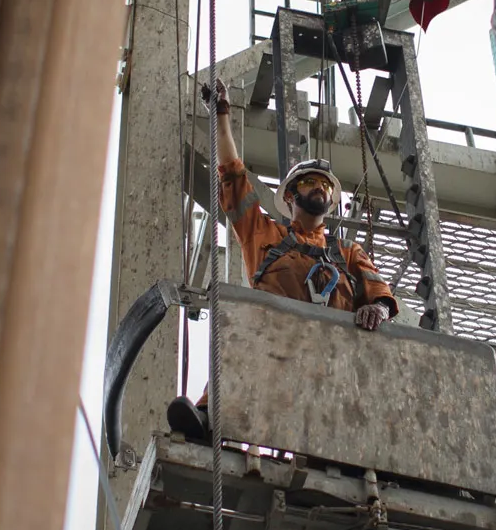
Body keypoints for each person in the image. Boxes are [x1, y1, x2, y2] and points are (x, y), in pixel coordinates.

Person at [166, 87, 399, 441]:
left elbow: (378, 291)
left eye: (325, 185)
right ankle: (207, 417)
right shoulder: (263, 235)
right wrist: (221, 116)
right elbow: (233, 177)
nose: (319, 188)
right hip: (272, 344)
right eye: (309, 182)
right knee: (240, 329)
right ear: (291, 196)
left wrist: (379, 310)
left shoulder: (347, 252)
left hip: (333, 354)